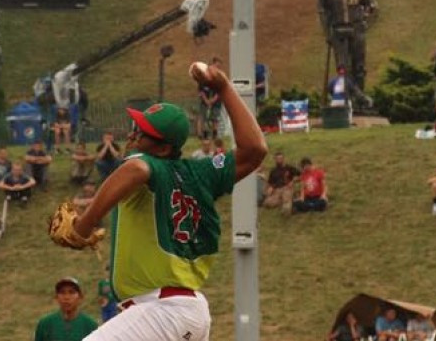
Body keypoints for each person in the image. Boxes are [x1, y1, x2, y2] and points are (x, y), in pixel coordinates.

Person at [64, 62, 268, 341]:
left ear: (163, 148)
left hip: (161, 310)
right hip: (187, 313)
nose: (133, 135)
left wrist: (84, 224)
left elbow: (137, 169)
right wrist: (223, 87)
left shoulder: (147, 164)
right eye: (136, 126)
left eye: (142, 133)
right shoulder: (201, 173)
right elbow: (255, 149)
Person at [317, 0, 378, 101]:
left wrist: (366, 21)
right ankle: (349, 98)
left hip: (357, 31)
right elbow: (322, 13)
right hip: (339, 32)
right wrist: (327, 33)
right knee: (343, 68)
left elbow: (373, 6)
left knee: (359, 67)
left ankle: (360, 100)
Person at [34, 277, 100, 341]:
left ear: (80, 297)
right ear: (56, 297)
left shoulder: (90, 325)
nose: (66, 297)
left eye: (71, 292)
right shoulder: (45, 324)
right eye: (62, 293)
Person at [196, 57, 223, 139]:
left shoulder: (220, 77)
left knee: (215, 117)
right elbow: (201, 91)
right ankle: (202, 134)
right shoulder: (203, 77)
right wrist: (206, 100)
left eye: (219, 66)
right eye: (216, 65)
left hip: (216, 101)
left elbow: (219, 90)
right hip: (205, 100)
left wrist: (213, 100)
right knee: (202, 117)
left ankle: (215, 133)